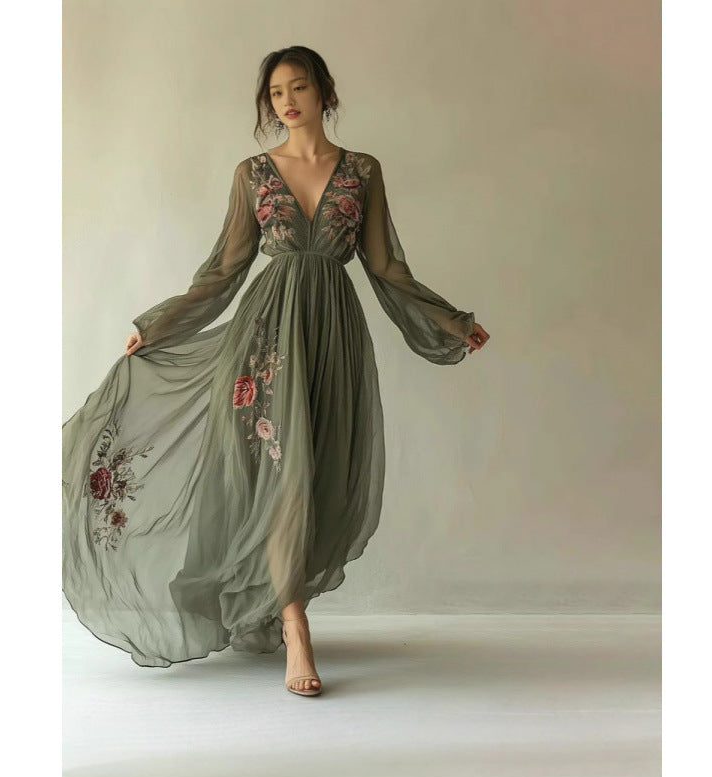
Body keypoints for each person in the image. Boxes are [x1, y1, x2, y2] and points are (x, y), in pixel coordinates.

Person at [62, 45, 489, 697]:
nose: (286, 101)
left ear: (324, 92)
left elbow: (385, 266)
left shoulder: (362, 171)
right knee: (281, 477)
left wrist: (450, 320)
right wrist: (160, 324)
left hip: (334, 338)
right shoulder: (253, 174)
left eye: (299, 87)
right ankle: (296, 628)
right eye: (276, 92)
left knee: (317, 476)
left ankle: (286, 607)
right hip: (265, 342)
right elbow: (224, 270)